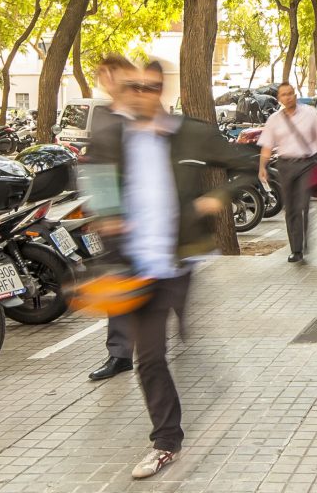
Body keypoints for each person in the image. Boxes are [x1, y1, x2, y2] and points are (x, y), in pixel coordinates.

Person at [115, 58, 257, 481]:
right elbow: (99, 180)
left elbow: (245, 165)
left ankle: (165, 440)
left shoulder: (191, 132)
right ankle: (166, 441)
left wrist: (219, 196)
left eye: (151, 86)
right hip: (135, 261)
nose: (143, 93)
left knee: (154, 350)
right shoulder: (117, 138)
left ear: (161, 90)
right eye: (135, 86)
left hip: (176, 259)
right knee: (149, 358)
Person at [85, 51, 137, 383]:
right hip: (114, 216)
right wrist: (102, 211)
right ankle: (120, 353)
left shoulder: (139, 114)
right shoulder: (103, 114)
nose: (105, 78)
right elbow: (97, 165)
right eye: (101, 73)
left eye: (110, 72)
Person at [257, 81, 317, 264]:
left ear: (295, 95)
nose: (288, 97)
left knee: (302, 204)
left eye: (290, 93)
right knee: (291, 208)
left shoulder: (309, 114)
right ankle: (296, 249)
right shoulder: (274, 120)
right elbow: (267, 146)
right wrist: (262, 167)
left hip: (307, 164)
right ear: (279, 99)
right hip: (285, 166)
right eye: (284, 94)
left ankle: (303, 241)